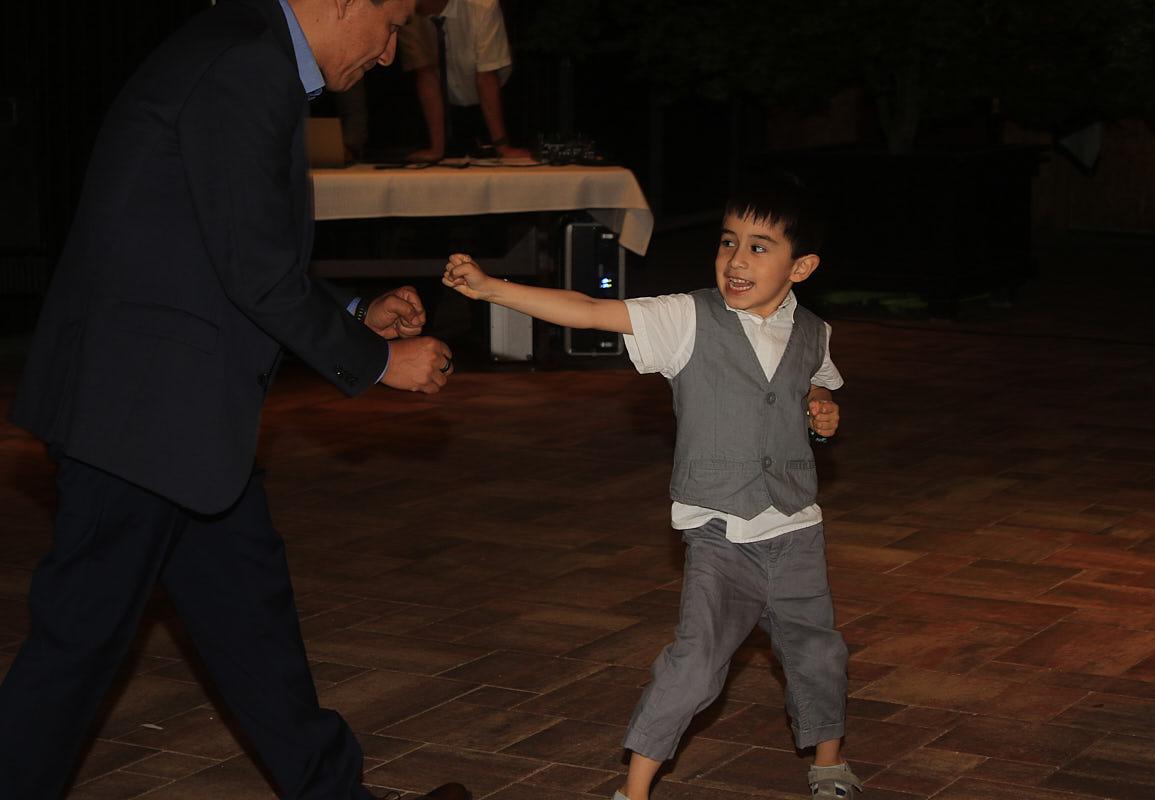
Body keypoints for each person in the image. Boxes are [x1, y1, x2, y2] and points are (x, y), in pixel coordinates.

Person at [0, 1, 469, 799]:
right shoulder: (247, 64)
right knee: (76, 647)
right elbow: (254, 269)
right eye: (391, 24)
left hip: (178, 414)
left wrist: (355, 313)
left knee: (251, 623)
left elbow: (220, 249)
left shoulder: (248, 52)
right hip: (139, 416)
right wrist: (378, 362)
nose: (391, 53)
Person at [442, 180, 862, 800]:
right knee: (696, 663)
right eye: (727, 242)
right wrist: (491, 289)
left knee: (819, 653)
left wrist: (821, 408)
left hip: (796, 528)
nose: (735, 260)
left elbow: (817, 381)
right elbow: (589, 310)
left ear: (800, 267)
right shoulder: (686, 318)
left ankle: (828, 763)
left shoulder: (814, 332)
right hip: (720, 532)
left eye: (758, 247)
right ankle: (634, 790)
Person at [399, 0, 530, 160]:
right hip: (442, 112)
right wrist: (437, 149)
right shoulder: (403, 9)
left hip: (492, 104)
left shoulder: (482, 5)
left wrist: (502, 146)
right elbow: (425, 73)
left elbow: (486, 77)